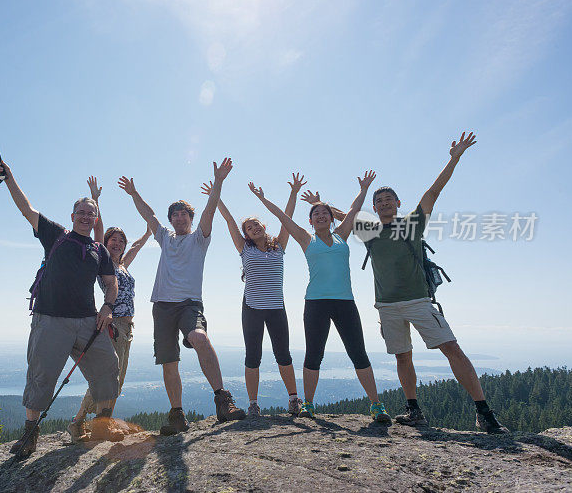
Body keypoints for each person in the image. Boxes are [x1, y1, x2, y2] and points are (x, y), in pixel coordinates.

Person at [360, 132, 508, 433]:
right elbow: (344, 216)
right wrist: (319, 204)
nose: (384, 202)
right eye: (379, 201)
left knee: (451, 348)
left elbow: (434, 192)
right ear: (374, 208)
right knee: (402, 356)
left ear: (398, 203)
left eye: (389, 199)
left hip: (417, 301)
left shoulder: (413, 222)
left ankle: (483, 412)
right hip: (386, 306)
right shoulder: (369, 232)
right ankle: (413, 410)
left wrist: (454, 158)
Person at [0, 161, 123, 457]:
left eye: (91, 213)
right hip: (50, 318)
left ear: (95, 218)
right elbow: (26, 209)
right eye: (81, 212)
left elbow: (111, 283)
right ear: (72, 215)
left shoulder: (99, 250)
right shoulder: (56, 235)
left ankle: (103, 424)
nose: (86, 217)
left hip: (88, 321)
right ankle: (30, 435)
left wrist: (107, 307)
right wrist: (10, 178)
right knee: (42, 374)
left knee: (107, 366)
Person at [250, 170, 392, 423]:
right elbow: (281, 216)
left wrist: (364, 188)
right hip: (315, 303)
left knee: (358, 352)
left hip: (345, 302)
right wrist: (262, 198)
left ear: (331, 218)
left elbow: (353, 210)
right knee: (314, 353)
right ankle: (308, 404)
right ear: (311, 221)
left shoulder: (342, 236)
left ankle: (376, 405)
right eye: (316, 214)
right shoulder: (306, 239)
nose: (321, 215)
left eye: (324, 212)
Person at [118, 158, 246, 435]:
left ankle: (223, 400)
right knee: (168, 360)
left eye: (183, 214)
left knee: (199, 338)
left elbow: (210, 211)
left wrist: (219, 182)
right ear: (171, 220)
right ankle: (177, 415)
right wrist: (133, 193)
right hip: (162, 305)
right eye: (174, 215)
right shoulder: (165, 238)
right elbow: (149, 216)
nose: (179, 218)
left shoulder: (199, 238)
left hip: (189, 304)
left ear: (190, 217)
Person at [200, 174, 305, 417]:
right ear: (246, 233)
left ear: (263, 227)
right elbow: (227, 220)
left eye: (256, 224)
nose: (254, 228)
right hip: (252, 309)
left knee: (284, 355)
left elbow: (286, 219)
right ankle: (253, 404)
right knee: (253, 356)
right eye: (249, 227)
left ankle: (293, 399)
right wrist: (215, 195)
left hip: (276, 308)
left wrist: (293, 192)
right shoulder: (244, 248)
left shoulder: (279, 245)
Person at [67, 176, 153, 443]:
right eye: (112, 241)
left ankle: (92, 423)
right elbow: (98, 230)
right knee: (107, 377)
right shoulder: (103, 262)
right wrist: (96, 199)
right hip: (112, 325)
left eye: (120, 241)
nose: (117, 244)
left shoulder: (125, 264)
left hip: (127, 327)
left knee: (118, 379)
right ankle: (85, 422)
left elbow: (138, 243)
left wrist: (150, 231)